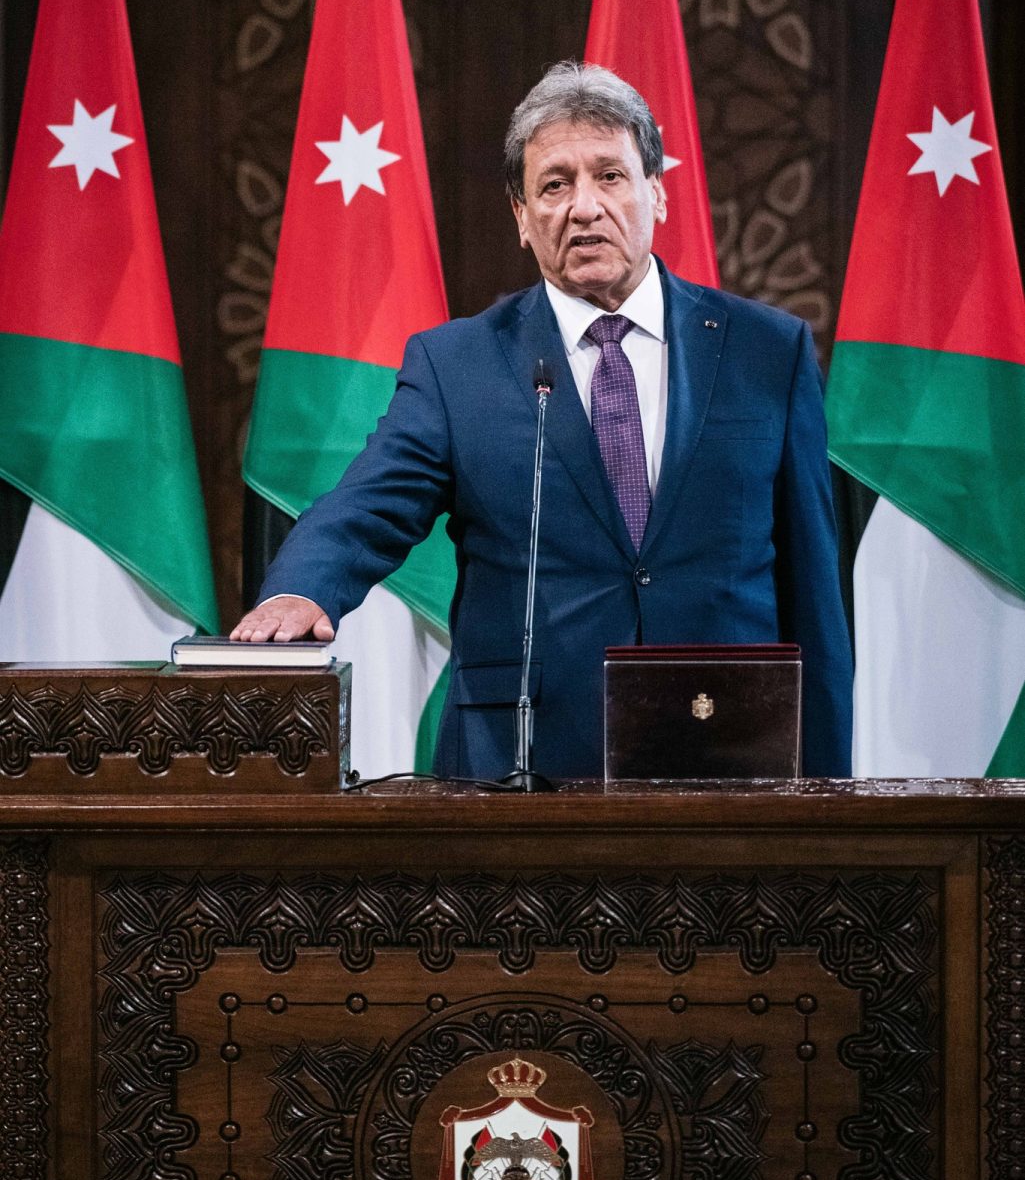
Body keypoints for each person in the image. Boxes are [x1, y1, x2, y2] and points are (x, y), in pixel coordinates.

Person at [232, 61, 853, 779]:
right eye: (554, 185)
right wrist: (301, 587)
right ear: (522, 219)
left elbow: (814, 587)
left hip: (727, 749)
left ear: (656, 192)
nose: (584, 207)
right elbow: (367, 506)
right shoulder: (457, 364)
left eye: (609, 176)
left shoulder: (765, 351)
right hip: (521, 766)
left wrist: (827, 791)